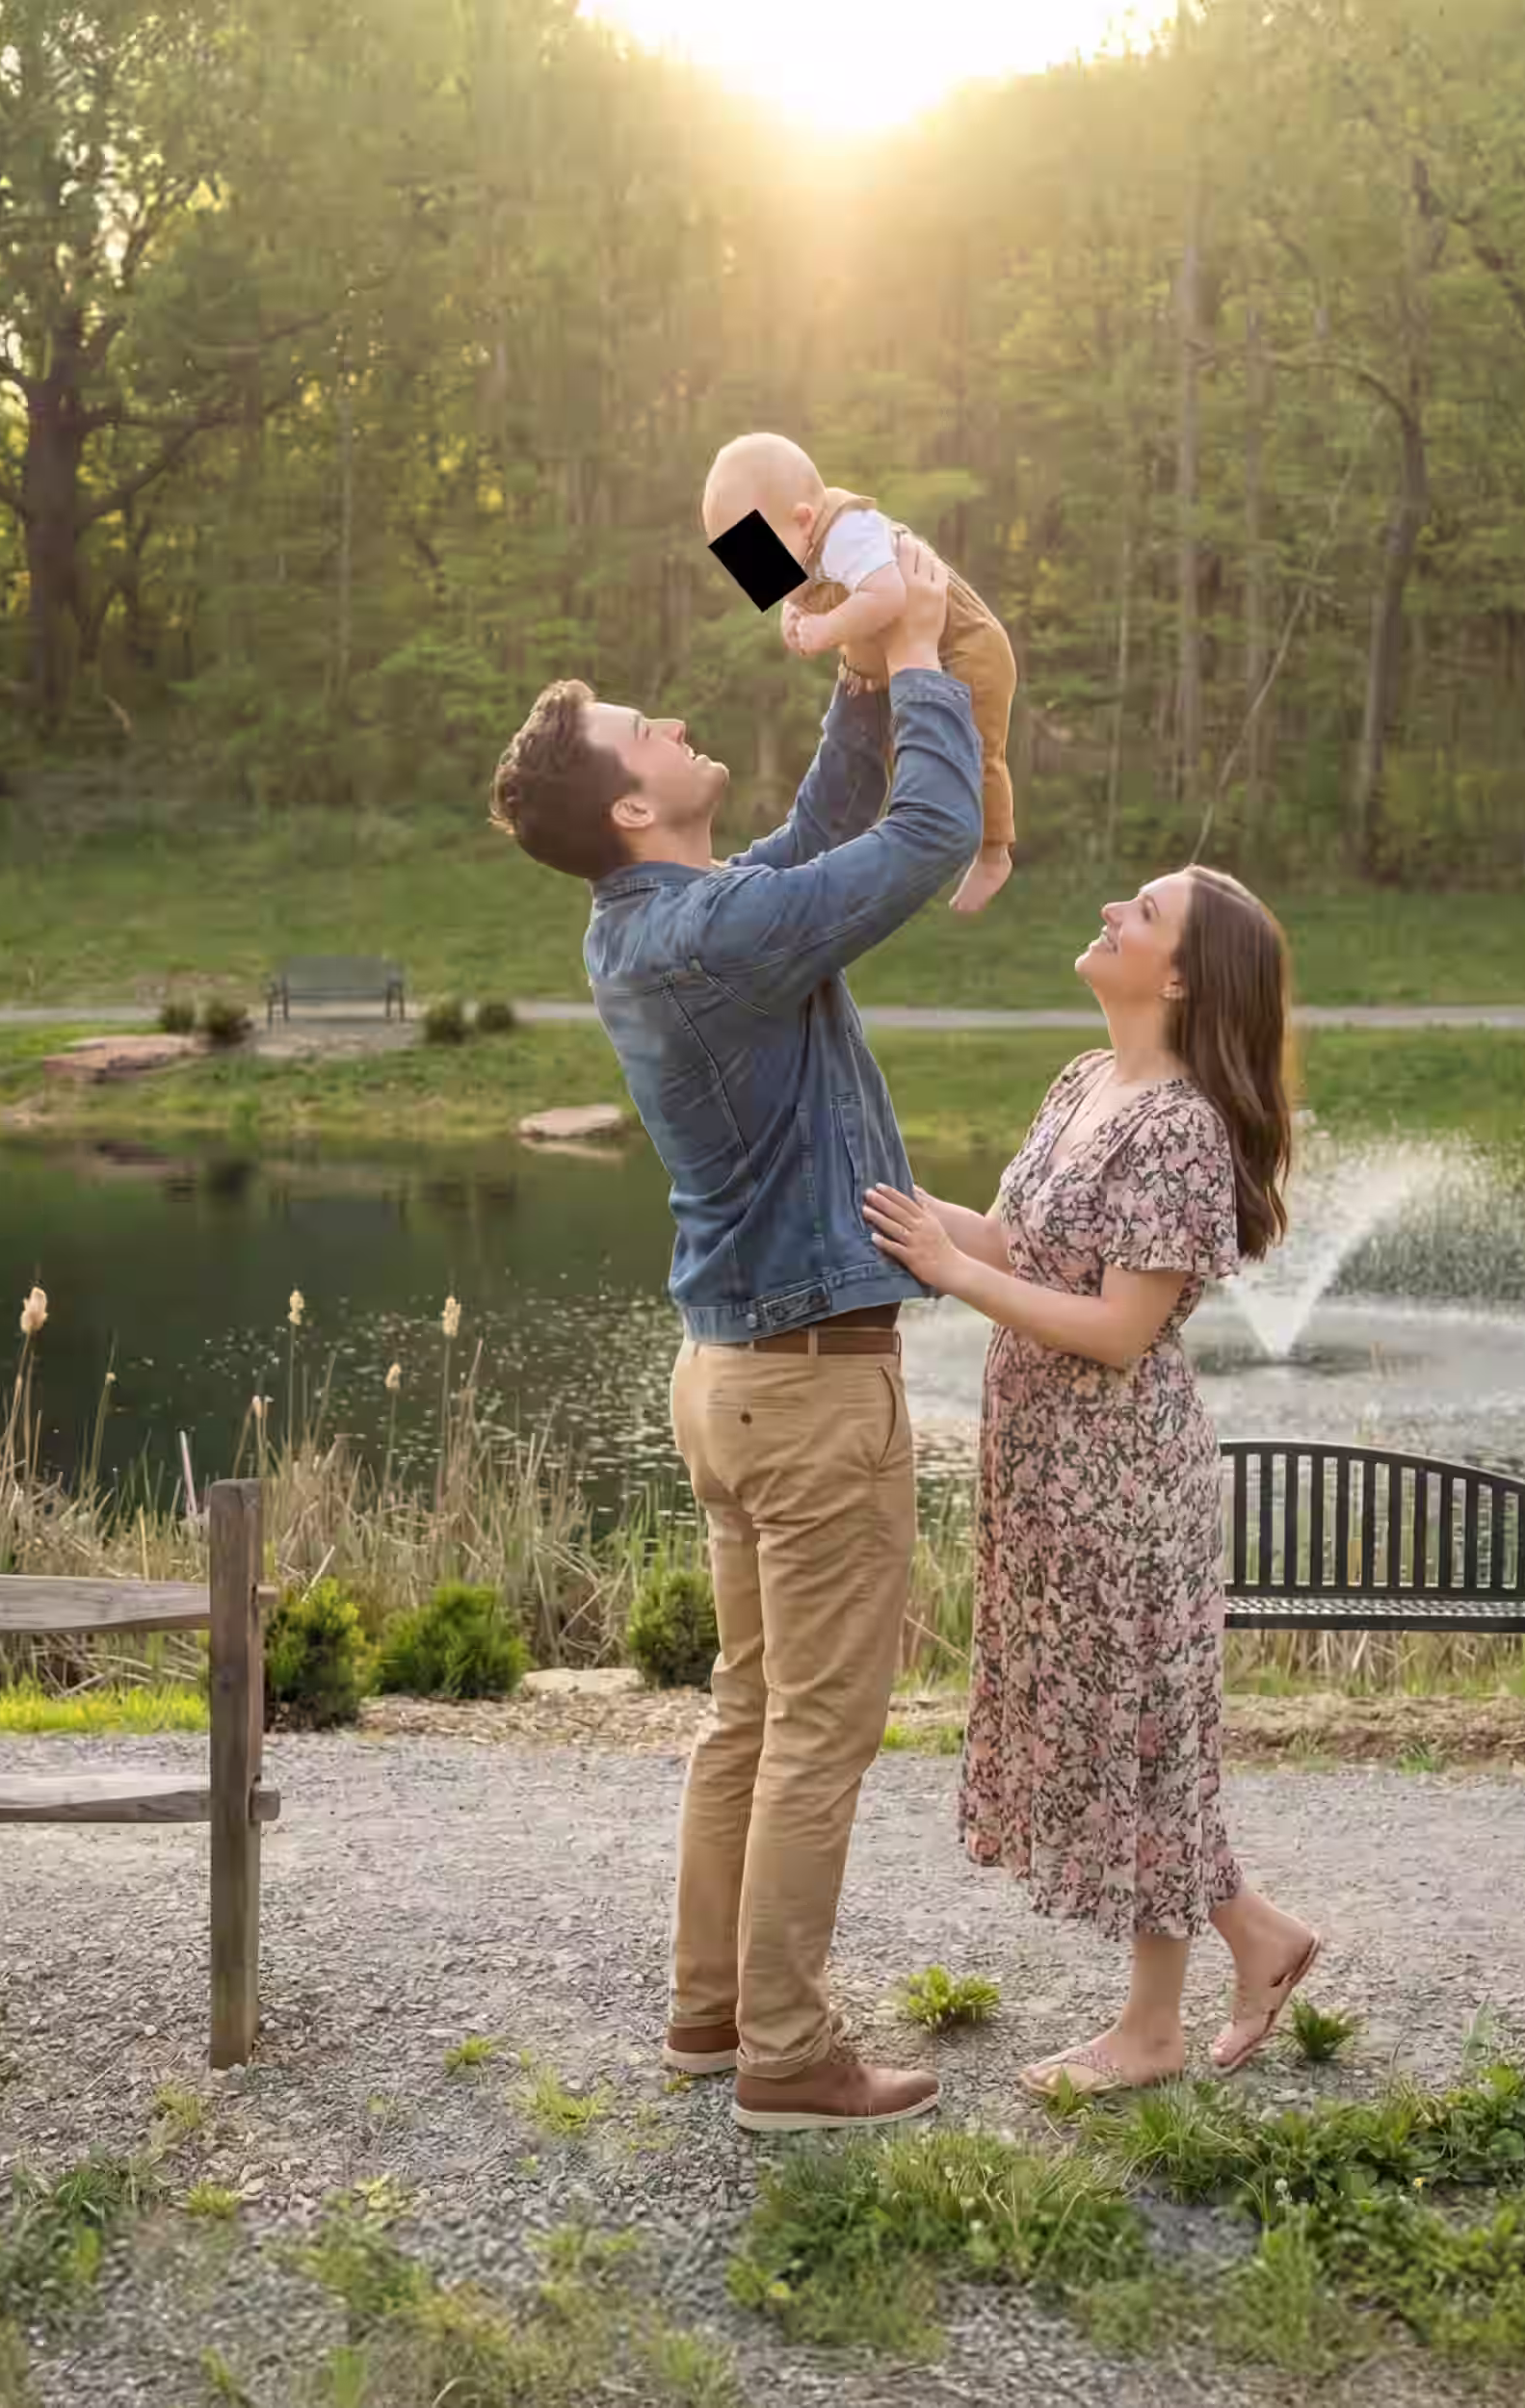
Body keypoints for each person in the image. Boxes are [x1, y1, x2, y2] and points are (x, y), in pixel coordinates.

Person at [486, 527, 975, 2134]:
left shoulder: (659, 919)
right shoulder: (706, 940)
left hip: (731, 1382)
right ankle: (786, 2052)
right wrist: (908, 655)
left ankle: (712, 2017)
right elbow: (923, 837)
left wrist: (851, 658)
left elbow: (821, 834)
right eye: (648, 732)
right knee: (817, 1736)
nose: (678, 723)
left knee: (750, 1719)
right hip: (812, 1394)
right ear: (631, 806)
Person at [859, 865, 1325, 2099]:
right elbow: (1023, 1245)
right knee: (1116, 1727)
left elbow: (1118, 1328)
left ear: (1177, 974)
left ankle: (1152, 2027)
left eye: (1146, 910)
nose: (1114, 910)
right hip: (1047, 1466)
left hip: (1124, 1478)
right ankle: (1260, 1938)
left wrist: (949, 1280)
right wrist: (904, 1209)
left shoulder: (1179, 1124)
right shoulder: (1084, 1081)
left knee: (1141, 1729)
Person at [700, 432, 1021, 916]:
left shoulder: (852, 532)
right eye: (743, 561)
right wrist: (794, 609)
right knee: (894, 750)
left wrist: (827, 628)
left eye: (758, 555)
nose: (758, 574)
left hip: (966, 648)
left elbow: (888, 595)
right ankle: (856, 852)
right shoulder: (806, 538)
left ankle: (995, 850)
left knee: (974, 753)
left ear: (803, 519)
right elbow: (803, 586)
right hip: (894, 658)